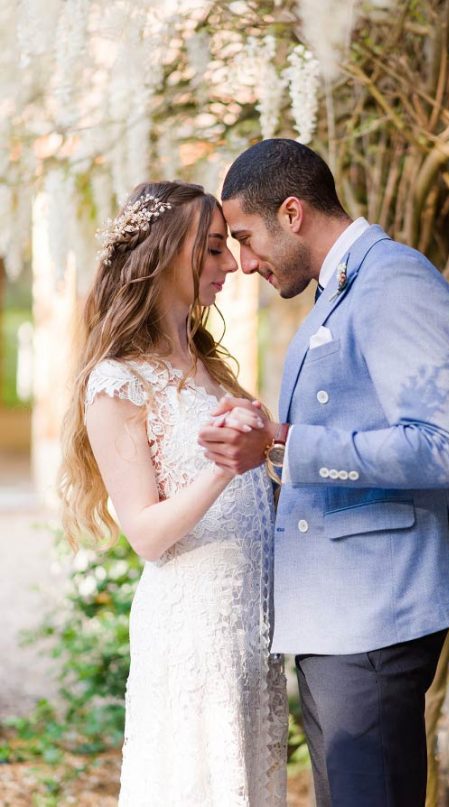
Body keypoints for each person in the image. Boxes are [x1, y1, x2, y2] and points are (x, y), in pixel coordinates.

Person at [198, 139, 449, 807]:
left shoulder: (395, 281)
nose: (244, 263)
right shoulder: (338, 291)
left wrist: (288, 441)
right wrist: (269, 439)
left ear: (294, 212)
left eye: (246, 238)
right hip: (337, 615)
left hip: (377, 614)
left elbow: (441, 447)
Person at [58, 181, 288, 807]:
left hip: (247, 626)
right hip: (190, 629)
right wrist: (224, 466)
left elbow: (256, 486)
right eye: (213, 250)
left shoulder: (208, 363)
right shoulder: (118, 382)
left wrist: (268, 447)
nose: (229, 267)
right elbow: (147, 535)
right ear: (163, 256)